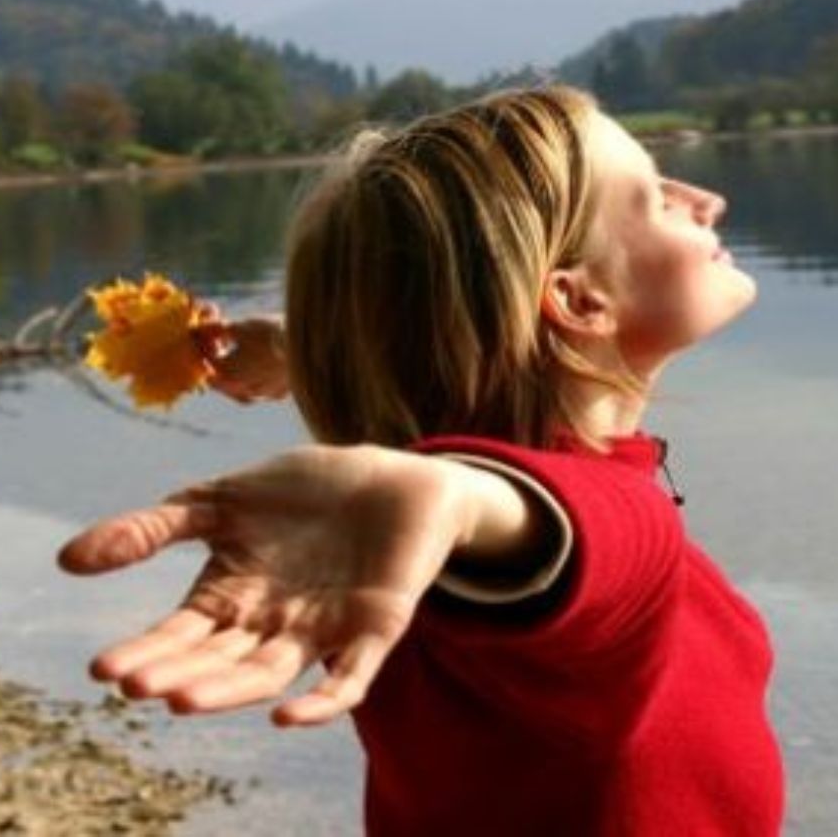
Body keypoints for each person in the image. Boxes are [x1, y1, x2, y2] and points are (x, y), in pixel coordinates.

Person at [58, 86, 784, 835]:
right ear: (578, 301)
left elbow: (464, 402)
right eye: (656, 199)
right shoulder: (579, 525)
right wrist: (449, 493)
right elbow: (547, 520)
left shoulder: (406, 543)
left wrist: (307, 346)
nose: (705, 199)